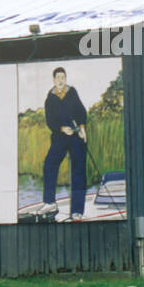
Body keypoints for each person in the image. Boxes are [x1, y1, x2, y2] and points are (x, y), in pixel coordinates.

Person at [41, 67, 87, 221]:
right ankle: (50, 202)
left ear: (65, 79)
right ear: (54, 80)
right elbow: (50, 121)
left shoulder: (72, 93)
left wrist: (82, 129)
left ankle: (77, 211)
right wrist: (61, 128)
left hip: (75, 136)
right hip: (60, 136)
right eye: (58, 78)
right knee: (49, 165)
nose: (60, 80)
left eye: (63, 77)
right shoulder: (50, 98)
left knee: (79, 169)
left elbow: (81, 112)